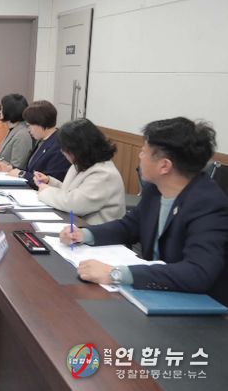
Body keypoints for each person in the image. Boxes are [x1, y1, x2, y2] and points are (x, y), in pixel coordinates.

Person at [61, 117, 228, 305]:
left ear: (164, 166)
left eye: (144, 152)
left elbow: (197, 272)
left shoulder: (208, 204)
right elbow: (129, 226)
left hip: (196, 306)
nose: (140, 157)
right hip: (154, 295)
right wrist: (84, 234)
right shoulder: (155, 190)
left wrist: (115, 273)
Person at [34, 118, 125, 225]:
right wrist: (50, 182)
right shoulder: (82, 162)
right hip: (76, 226)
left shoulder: (104, 174)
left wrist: (46, 191)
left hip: (96, 231)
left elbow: (74, 204)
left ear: (78, 148)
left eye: (65, 149)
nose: (63, 152)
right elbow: (71, 192)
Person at [0, 100, 70, 188]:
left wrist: (22, 174)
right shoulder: (42, 140)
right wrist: (9, 169)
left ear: (40, 123)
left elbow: (50, 180)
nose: (28, 130)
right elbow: (30, 170)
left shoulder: (58, 146)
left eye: (29, 125)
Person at [0, 93, 32, 169]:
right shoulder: (13, 129)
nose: (0, 111)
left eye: (2, 108)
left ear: (10, 111)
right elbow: (2, 156)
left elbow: (16, 166)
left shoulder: (22, 135)